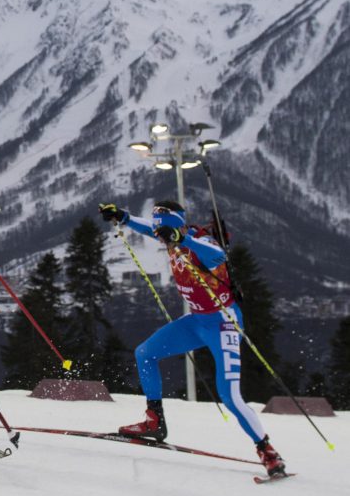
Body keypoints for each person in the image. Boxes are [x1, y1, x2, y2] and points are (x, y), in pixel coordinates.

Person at [98, 199, 286, 476]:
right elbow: (146, 226)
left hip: (224, 324)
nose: (161, 238)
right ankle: (154, 421)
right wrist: (122, 216)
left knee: (229, 395)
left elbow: (217, 255)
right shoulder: (167, 235)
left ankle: (267, 450)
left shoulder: (199, 240)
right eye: (160, 233)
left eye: (165, 232)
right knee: (145, 353)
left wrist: (183, 238)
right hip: (197, 321)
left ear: (176, 225)